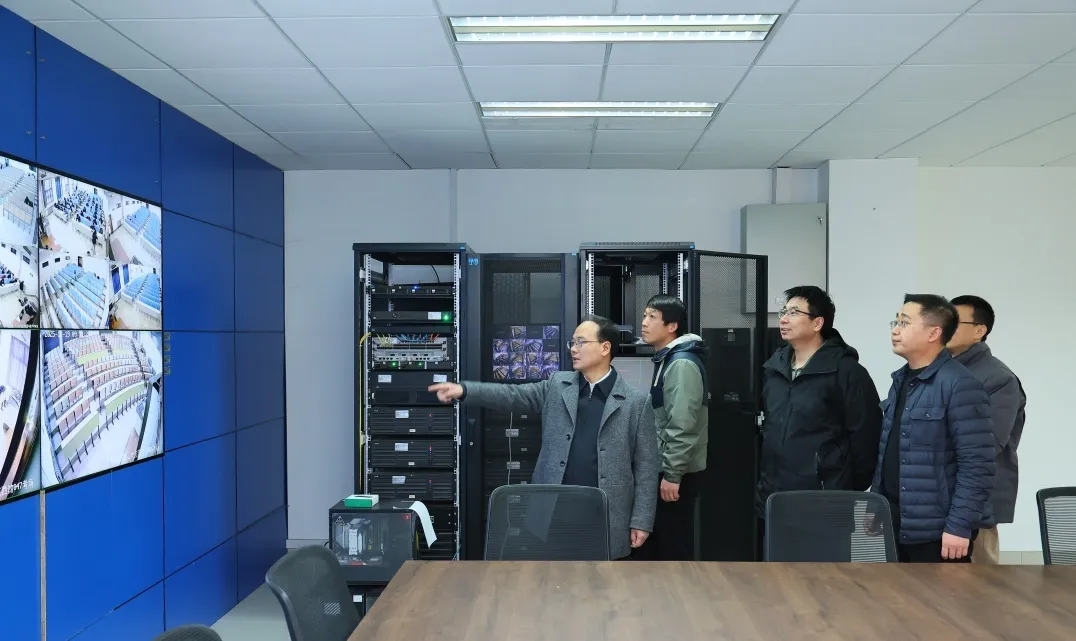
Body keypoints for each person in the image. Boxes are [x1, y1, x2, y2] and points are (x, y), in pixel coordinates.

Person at [428, 315, 660, 560]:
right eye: (572, 343)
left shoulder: (636, 402)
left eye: (581, 342)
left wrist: (641, 520)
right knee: (549, 578)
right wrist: (465, 390)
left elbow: (646, 467)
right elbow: (513, 395)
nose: (573, 349)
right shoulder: (557, 386)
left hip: (606, 514)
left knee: (602, 580)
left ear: (605, 348)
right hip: (553, 511)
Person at [757, 286, 882, 560]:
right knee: (777, 577)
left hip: (825, 499)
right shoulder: (774, 370)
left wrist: (844, 485)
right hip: (775, 497)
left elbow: (866, 436)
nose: (783, 319)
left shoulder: (846, 371)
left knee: (825, 577)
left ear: (817, 323)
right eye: (783, 312)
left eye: (794, 313)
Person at [872, 294, 995, 563]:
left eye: (904, 323)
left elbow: (977, 464)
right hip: (896, 521)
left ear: (934, 333)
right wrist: (876, 505)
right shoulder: (901, 380)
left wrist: (959, 526)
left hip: (938, 531)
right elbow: (890, 450)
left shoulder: (960, 384)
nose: (895, 330)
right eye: (895, 322)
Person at [947, 295, 1026, 565]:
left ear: (979, 330)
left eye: (955, 322)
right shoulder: (938, 370)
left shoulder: (999, 378)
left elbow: (989, 444)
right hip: (936, 497)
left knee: (980, 580)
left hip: (977, 502)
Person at [633, 295, 708, 561]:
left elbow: (683, 425)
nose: (644, 323)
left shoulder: (681, 363)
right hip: (666, 468)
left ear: (672, 326)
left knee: (672, 548)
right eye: (644, 315)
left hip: (675, 474)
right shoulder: (668, 359)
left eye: (652, 317)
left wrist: (673, 475)